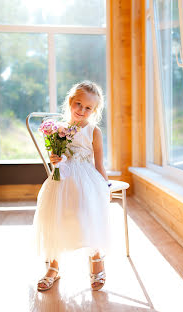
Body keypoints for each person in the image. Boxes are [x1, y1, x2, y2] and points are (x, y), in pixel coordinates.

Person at [33, 80, 113, 292]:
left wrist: (104, 188)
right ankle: (54, 265)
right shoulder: (58, 129)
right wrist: (55, 159)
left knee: (87, 215)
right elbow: (57, 157)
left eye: (88, 108)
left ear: (94, 110)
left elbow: (99, 163)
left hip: (87, 180)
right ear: (70, 101)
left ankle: (96, 257)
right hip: (62, 178)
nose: (82, 110)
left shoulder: (93, 131)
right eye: (78, 104)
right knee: (55, 217)